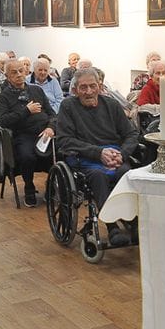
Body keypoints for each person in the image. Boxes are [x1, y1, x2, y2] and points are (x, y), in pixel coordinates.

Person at [56, 67, 138, 244]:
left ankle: (134, 223)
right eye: (83, 87)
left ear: (100, 86)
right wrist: (98, 153)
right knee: (98, 176)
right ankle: (112, 227)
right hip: (83, 159)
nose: (89, 92)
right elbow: (64, 140)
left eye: (92, 86)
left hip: (115, 157)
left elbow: (131, 134)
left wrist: (121, 155)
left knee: (127, 174)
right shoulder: (68, 107)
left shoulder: (112, 105)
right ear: (75, 89)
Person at [0, 59, 56, 206]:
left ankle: (52, 186)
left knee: (63, 151)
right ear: (7, 76)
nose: (18, 74)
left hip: (45, 132)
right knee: (27, 155)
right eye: (14, 72)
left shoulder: (36, 90)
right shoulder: (4, 96)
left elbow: (52, 114)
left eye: (21, 71)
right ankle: (29, 187)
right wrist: (26, 111)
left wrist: (50, 127)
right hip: (23, 134)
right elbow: (3, 121)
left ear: (26, 71)